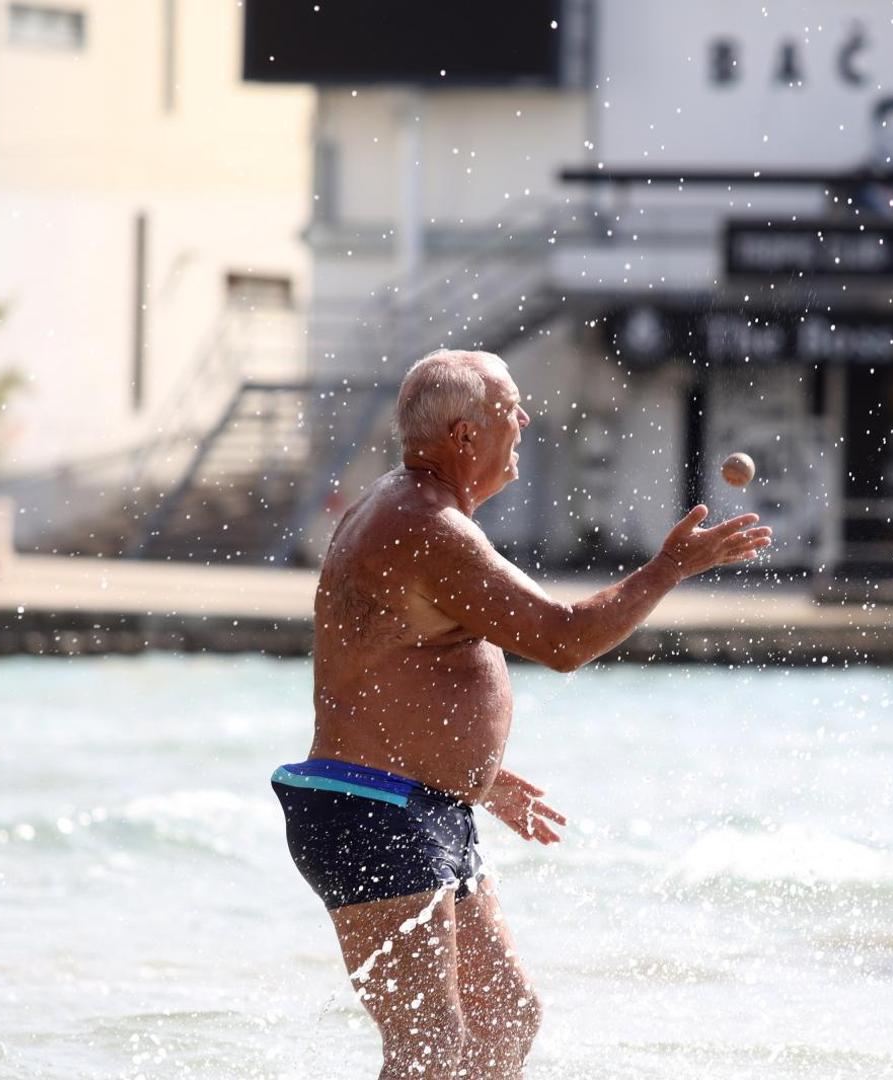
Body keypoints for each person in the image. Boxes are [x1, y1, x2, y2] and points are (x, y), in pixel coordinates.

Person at [271, 349, 771, 1079]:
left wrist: (478, 773)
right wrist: (667, 570)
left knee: (504, 1020)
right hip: (371, 810)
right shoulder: (421, 523)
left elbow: (379, 666)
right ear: (465, 435)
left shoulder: (414, 506)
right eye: (512, 409)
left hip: (417, 802)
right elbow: (562, 640)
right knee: (429, 1049)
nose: (526, 421)